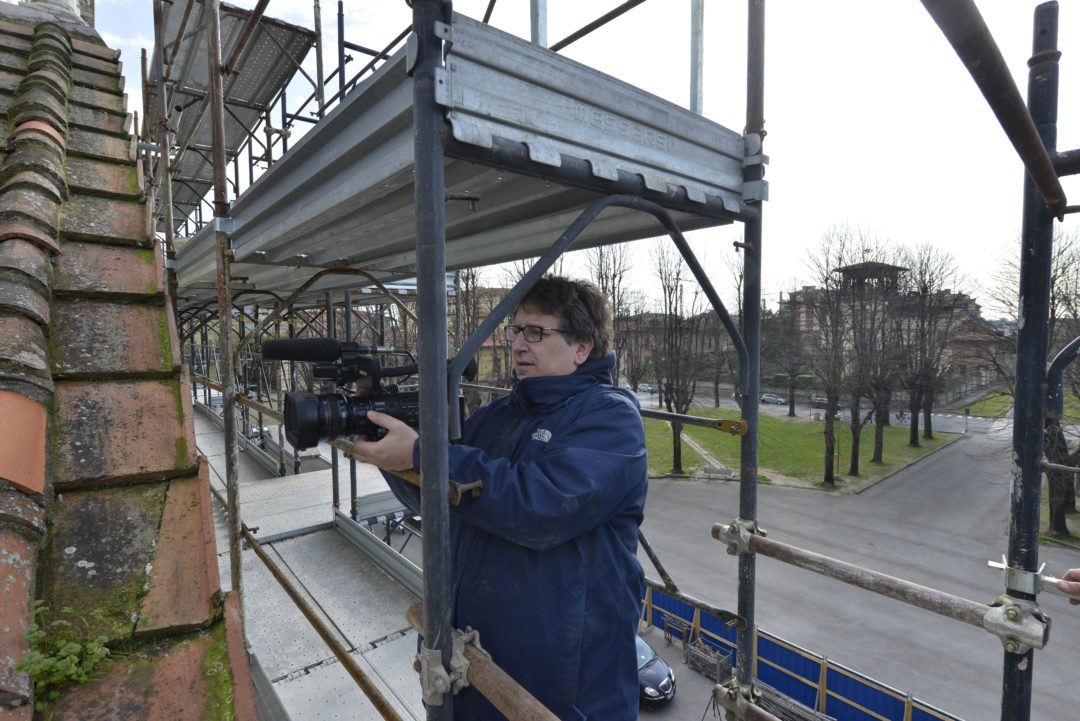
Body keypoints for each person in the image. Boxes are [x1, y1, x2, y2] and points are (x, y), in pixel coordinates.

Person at [352, 275, 648, 720]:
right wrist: (385, 445)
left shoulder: (611, 419)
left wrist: (423, 454)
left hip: (561, 686)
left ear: (582, 348)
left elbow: (542, 506)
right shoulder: (498, 416)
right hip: (476, 667)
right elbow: (438, 504)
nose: (517, 344)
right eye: (516, 330)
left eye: (536, 332)